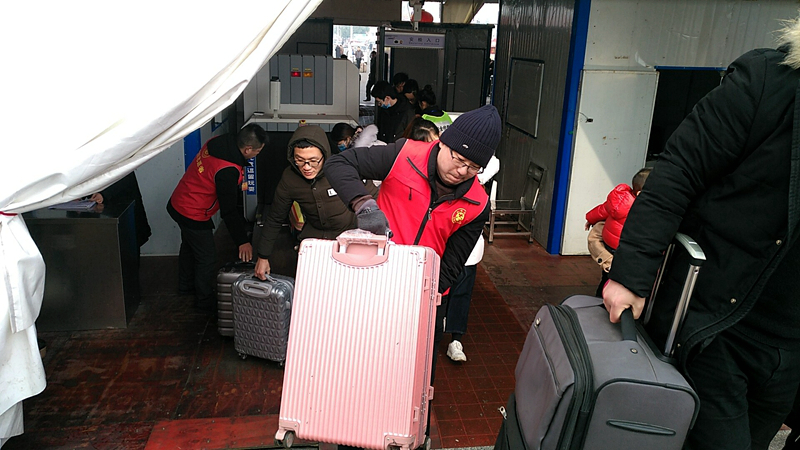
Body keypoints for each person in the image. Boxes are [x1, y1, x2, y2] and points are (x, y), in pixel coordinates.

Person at [602, 20, 800, 450]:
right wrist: (630, 276)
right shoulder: (768, 82)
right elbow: (678, 171)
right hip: (716, 326)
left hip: (789, 349)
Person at [326, 104, 502, 384]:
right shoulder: (403, 155)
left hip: (424, 295)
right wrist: (364, 204)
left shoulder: (477, 204)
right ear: (443, 142)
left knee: (416, 378)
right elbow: (338, 164)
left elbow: (453, 263)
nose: (461, 171)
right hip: (374, 281)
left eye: (473, 167)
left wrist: (425, 296)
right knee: (363, 364)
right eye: (458, 159)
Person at [167, 124, 266, 312]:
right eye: (257, 151)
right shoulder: (228, 170)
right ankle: (204, 301)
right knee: (207, 257)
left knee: (189, 246)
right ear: (247, 149)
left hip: (179, 201)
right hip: (192, 211)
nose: (257, 154)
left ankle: (185, 286)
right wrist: (242, 241)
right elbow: (229, 211)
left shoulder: (218, 143)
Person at [253, 125, 374, 279]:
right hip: (314, 241)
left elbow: (374, 201)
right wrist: (263, 256)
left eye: (313, 161)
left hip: (349, 240)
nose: (307, 167)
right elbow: (275, 218)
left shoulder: (344, 168)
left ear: (324, 155)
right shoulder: (289, 179)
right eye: (300, 160)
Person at [584, 168, 650, 296]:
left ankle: (599, 298)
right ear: (640, 194)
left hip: (609, 245)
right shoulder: (643, 209)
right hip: (622, 248)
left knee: (606, 279)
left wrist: (590, 219)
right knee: (621, 282)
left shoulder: (620, 200)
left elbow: (602, 210)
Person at [90, 171, 152, 249]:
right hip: (106, 207)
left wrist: (104, 195)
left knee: (128, 245)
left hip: (123, 204)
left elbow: (124, 175)